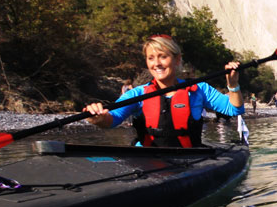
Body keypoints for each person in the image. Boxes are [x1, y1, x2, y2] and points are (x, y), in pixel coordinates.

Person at [84, 35, 244, 147]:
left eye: (162, 56)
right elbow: (113, 119)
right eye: (151, 58)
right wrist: (99, 118)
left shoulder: (198, 89)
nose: (157, 63)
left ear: (177, 60)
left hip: (188, 158)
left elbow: (234, 109)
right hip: (147, 159)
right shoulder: (137, 93)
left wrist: (233, 85)